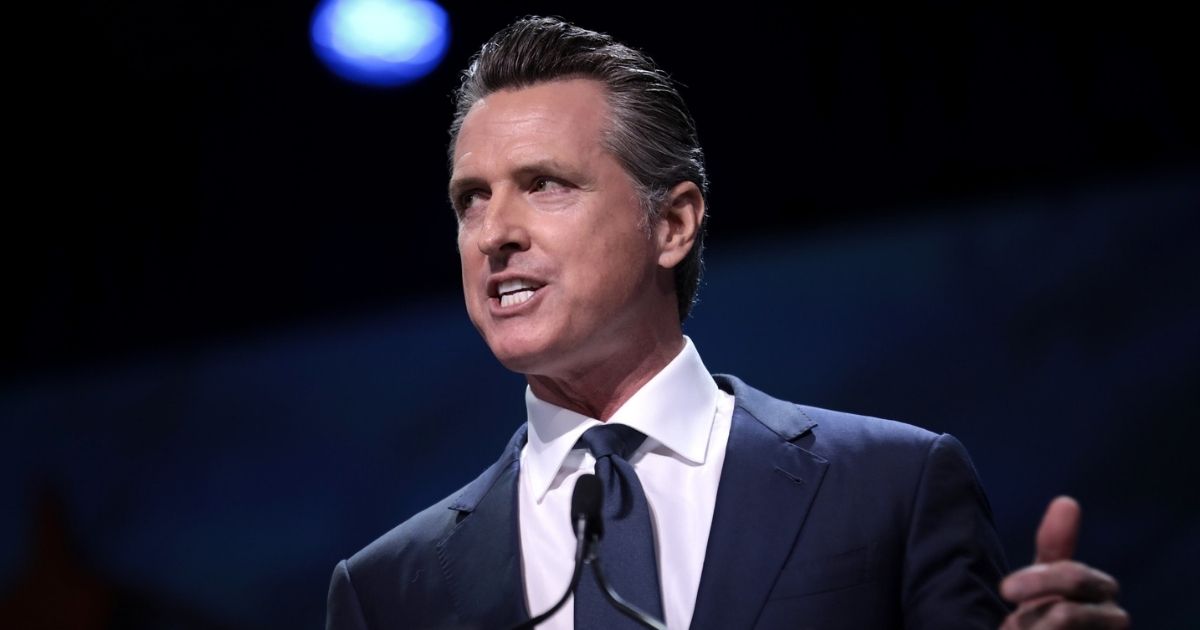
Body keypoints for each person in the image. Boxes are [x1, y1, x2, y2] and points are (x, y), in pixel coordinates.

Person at [326, 16, 1128, 630]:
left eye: (545, 184)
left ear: (672, 225)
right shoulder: (389, 587)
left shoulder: (894, 487)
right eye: (472, 198)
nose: (493, 231)